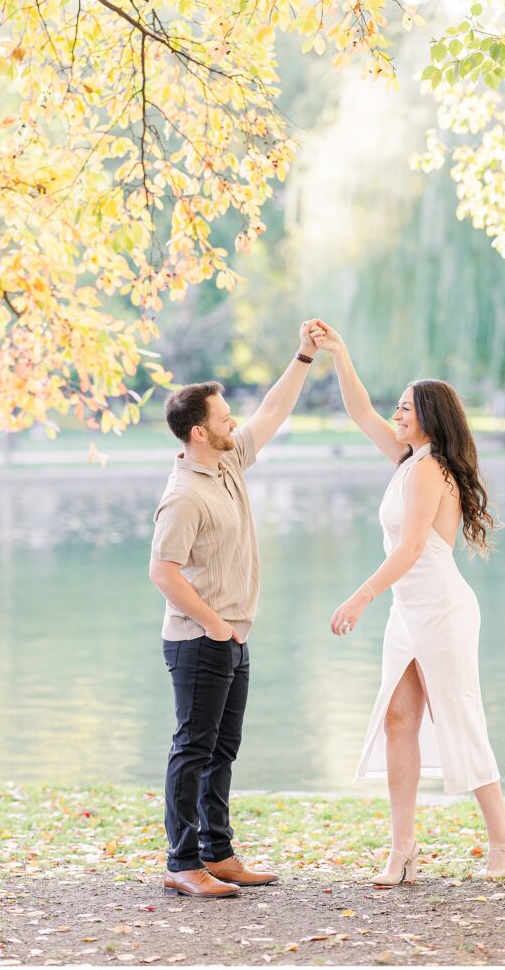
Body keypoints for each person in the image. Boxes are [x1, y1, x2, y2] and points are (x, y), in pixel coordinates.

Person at [310, 319, 505, 887]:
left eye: (406, 408)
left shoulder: (430, 468)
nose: (397, 415)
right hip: (408, 612)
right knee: (398, 719)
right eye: (398, 407)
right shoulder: (409, 459)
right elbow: (360, 413)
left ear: (431, 418)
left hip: (442, 610)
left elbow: (410, 548)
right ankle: (402, 849)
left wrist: (360, 597)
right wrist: (340, 352)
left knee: (458, 715)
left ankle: (503, 840)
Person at [150, 320, 321, 898]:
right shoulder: (183, 496)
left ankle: (217, 853)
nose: (234, 424)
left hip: (231, 636)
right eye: (224, 419)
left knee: (223, 747)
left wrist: (302, 354)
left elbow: (272, 412)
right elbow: (163, 572)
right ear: (200, 432)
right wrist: (216, 625)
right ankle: (181, 862)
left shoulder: (225, 461)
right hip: (200, 639)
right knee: (193, 747)